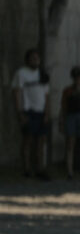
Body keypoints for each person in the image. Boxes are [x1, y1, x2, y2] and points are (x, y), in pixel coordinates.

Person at [11, 48, 51, 179]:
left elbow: (47, 95)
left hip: (41, 111)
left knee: (41, 141)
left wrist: (47, 112)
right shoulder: (21, 74)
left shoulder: (42, 74)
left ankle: (40, 168)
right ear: (27, 60)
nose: (36, 61)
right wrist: (20, 112)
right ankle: (26, 168)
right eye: (33, 58)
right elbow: (17, 93)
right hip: (28, 111)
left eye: (37, 58)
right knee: (28, 140)